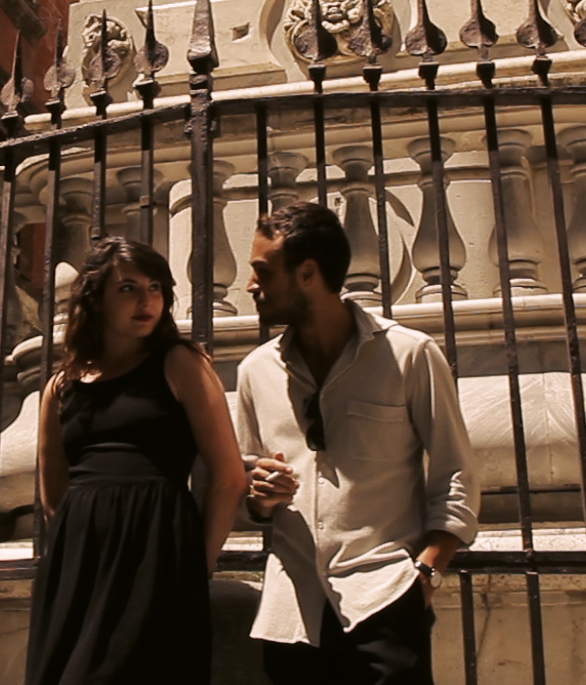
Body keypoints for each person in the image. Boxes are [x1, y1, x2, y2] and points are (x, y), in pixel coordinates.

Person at [236, 202, 478, 685]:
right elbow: (245, 491)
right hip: (291, 614)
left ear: (308, 273)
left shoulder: (409, 354)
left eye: (263, 271)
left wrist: (426, 575)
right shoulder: (254, 372)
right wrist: (259, 497)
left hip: (385, 600)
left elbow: (456, 475)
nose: (250, 285)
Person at [26, 237, 248, 685]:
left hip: (156, 552)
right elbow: (54, 493)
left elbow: (229, 477)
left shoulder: (181, 363)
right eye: (128, 288)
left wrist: (194, 567)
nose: (146, 301)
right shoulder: (61, 387)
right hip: (79, 559)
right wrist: (83, 539)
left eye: (155, 288)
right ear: (96, 299)